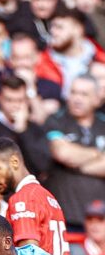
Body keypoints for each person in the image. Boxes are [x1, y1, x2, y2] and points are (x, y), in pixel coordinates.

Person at [44, 74, 105, 232]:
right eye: (73, 92)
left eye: (84, 94)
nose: (77, 98)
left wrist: (76, 164)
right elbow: (62, 153)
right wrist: (98, 153)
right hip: (64, 219)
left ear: (96, 99)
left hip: (100, 221)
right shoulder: (55, 119)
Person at [0, 74, 51, 177]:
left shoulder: (35, 129)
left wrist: (23, 131)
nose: (15, 106)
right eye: (9, 100)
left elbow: (42, 166)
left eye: (20, 100)